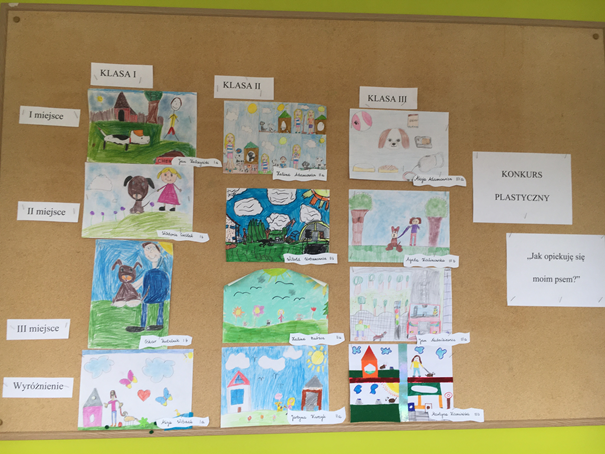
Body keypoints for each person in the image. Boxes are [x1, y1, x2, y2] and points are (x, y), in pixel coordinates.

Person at [127, 242, 170, 333]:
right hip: (150, 297)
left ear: (159, 251)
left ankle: (157, 324)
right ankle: (144, 325)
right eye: (147, 249)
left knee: (153, 305)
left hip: (157, 296)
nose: (150, 251)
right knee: (146, 305)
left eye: (153, 248)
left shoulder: (162, 273)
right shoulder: (149, 273)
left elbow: (165, 287)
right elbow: (139, 284)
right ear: (145, 255)